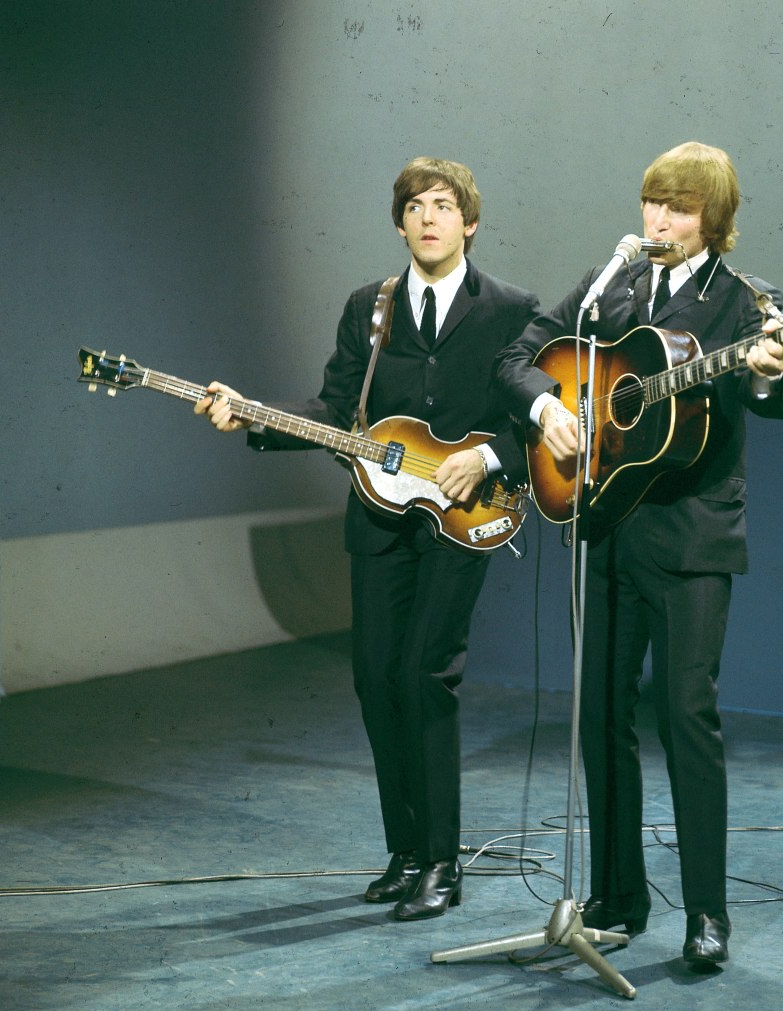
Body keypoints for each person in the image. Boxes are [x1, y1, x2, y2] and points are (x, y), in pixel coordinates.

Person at [195, 157, 540, 921]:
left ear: (469, 221)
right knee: (376, 678)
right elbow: (334, 408)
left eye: (443, 205)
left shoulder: (513, 309)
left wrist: (486, 458)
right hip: (379, 518)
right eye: (414, 206)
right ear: (399, 223)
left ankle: (445, 863)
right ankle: (407, 851)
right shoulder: (369, 307)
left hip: (467, 516)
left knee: (427, 674)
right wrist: (253, 413)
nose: (428, 217)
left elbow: (532, 420)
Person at [495, 142, 783, 967]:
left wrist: (765, 370)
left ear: (715, 220)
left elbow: (773, 396)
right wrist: (546, 411)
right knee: (599, 716)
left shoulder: (742, 302)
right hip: (605, 523)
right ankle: (617, 895)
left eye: (683, 208)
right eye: (655, 203)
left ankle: (707, 914)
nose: (661, 220)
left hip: (693, 536)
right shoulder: (611, 286)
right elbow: (518, 355)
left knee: (686, 716)